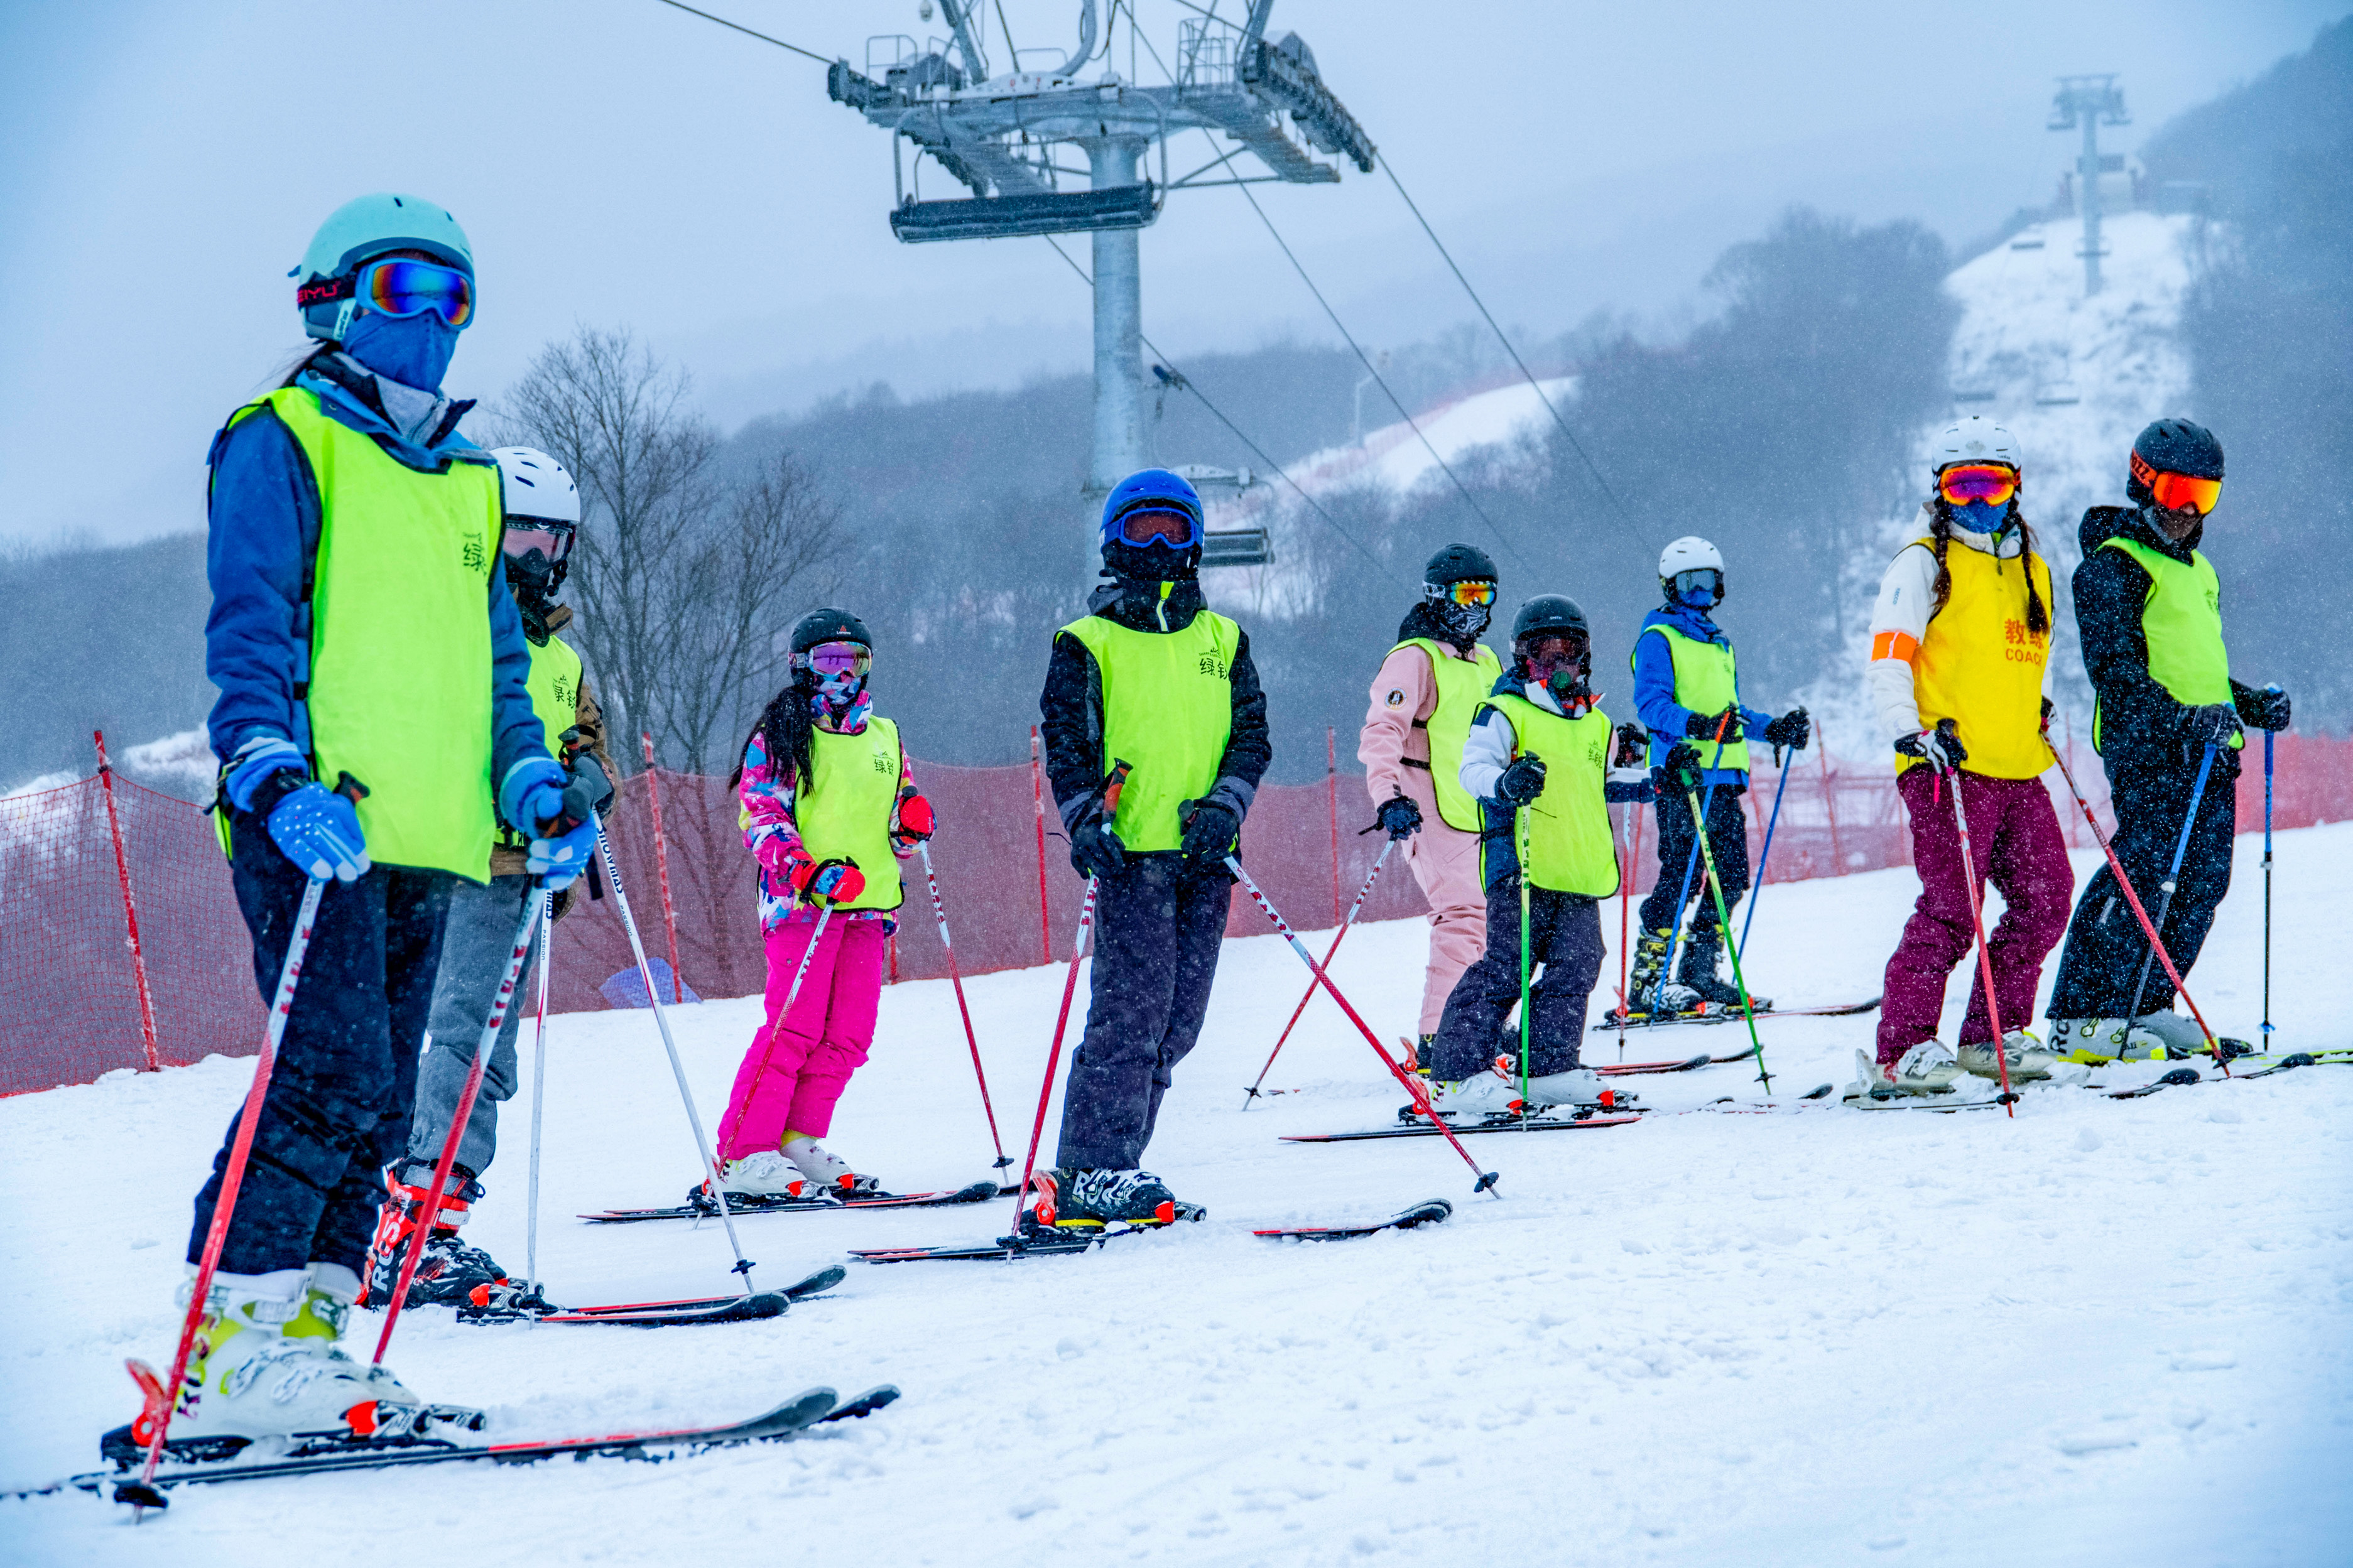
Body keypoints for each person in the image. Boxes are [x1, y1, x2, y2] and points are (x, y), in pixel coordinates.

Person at [158, 193, 590, 1451]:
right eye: (407, 291)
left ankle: (302, 1331)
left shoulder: (467, 480)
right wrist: (268, 772)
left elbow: (502, 675)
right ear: (335, 301)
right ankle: (222, 1342)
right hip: (319, 822)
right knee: (326, 1072)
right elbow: (250, 628)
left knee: (388, 1096)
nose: (435, 320)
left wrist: (530, 784)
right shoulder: (280, 438)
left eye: (456, 297)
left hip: (433, 838)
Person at [363, 448, 616, 1307]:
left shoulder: (562, 659)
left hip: (525, 873)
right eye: (521, 532)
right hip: (456, 866)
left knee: (491, 1054)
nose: (538, 553)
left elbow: (590, 746)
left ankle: (432, 1220)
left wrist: (580, 793)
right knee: (459, 1039)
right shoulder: (452, 630)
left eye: (554, 536)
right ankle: (410, 1229)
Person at [1034, 469, 1271, 1228]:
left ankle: (1120, 1162)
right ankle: (1090, 1167)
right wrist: (1084, 821)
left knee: (1177, 1021)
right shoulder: (1086, 642)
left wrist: (1224, 808)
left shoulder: (1224, 640)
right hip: (1132, 853)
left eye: (1174, 530)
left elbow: (1251, 739)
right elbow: (1067, 746)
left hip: (1203, 855)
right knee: (1130, 1013)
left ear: (1196, 541)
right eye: (1143, 531)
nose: (1160, 545)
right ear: (1114, 542)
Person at [2045, 419, 2291, 1059]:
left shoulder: (2198, 571)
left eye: (2202, 496)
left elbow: (2196, 667)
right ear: (2142, 481)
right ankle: (2086, 1013)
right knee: (2146, 875)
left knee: (2201, 884)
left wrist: (2247, 703)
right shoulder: (2110, 567)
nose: (2186, 510)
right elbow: (2116, 672)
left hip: (2209, 749)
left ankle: (2146, 1005)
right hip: (2149, 747)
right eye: (2177, 490)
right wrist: (2182, 720)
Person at [1855, 419, 2071, 1099]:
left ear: (2015, 489)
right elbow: (1889, 657)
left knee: (2045, 899)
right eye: (1961, 486)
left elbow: (2011, 661)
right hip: (1945, 764)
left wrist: (2032, 707)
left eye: (1991, 485)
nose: (1977, 501)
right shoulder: (1922, 561)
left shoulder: (2033, 570)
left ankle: (1989, 1036)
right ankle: (1902, 1050)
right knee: (1953, 908)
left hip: (2015, 764)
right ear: (1940, 493)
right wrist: (1907, 732)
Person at [710, 608, 931, 1199]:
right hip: (802, 902)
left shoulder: (885, 735)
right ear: (801, 665)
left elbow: (894, 823)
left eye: (853, 661)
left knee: (849, 1034)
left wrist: (907, 826)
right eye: (828, 661)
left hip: (869, 905)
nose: (842, 674)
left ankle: (796, 1138)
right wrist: (805, 869)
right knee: (795, 1026)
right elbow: (761, 814)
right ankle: (741, 1151)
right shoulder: (782, 734)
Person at [1421, 597, 1634, 1116]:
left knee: (1579, 964)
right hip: (1522, 867)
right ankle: (1454, 1077)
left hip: (1577, 870)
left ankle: (1547, 1067)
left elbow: (1608, 781)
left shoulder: (1596, 724)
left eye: (1570, 653)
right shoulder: (1504, 711)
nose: (1559, 665)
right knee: (1507, 967)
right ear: (1524, 658)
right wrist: (1505, 781)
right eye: (1546, 653)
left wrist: (1664, 775)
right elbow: (1471, 771)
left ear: (1585, 659)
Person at [1626, 537, 1810, 1013]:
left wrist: (1773, 729)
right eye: (1689, 584)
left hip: (1724, 776)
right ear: (1671, 587)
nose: (1700, 592)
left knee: (1731, 875)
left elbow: (1732, 711)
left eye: (1708, 582)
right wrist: (1697, 728)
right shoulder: (1658, 637)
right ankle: (1648, 981)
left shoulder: (1720, 643)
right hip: (1682, 771)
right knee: (1683, 874)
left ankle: (1699, 971)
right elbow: (1651, 703)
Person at [1357, 543, 1503, 1063]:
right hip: (1427, 804)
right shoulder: (1414, 658)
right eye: (1467, 594)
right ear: (1439, 597)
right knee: (1463, 914)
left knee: (1498, 921)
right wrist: (1388, 797)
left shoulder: (1486, 660)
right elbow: (1381, 732)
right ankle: (1442, 1038)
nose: (1476, 607)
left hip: (1483, 810)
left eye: (1486, 596)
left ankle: (1478, 1028)